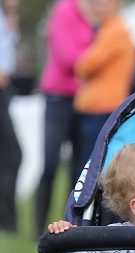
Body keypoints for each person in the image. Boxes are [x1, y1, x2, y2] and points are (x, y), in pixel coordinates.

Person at [34, 0, 94, 238]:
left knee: (79, 171)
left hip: (86, 101)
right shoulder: (66, 8)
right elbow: (67, 56)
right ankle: (39, 226)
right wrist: (99, 57)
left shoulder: (100, 11)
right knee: (49, 164)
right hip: (59, 98)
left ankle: (70, 226)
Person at [73, 0, 135, 187]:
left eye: (104, 4)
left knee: (90, 170)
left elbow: (85, 66)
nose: (99, 9)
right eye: (95, 4)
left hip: (102, 107)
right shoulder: (109, 29)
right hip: (101, 106)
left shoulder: (113, 31)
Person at [0, 0, 20, 234]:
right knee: (13, 155)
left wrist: (11, 9)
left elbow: (10, 40)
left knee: (9, 156)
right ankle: (6, 221)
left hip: (6, 89)